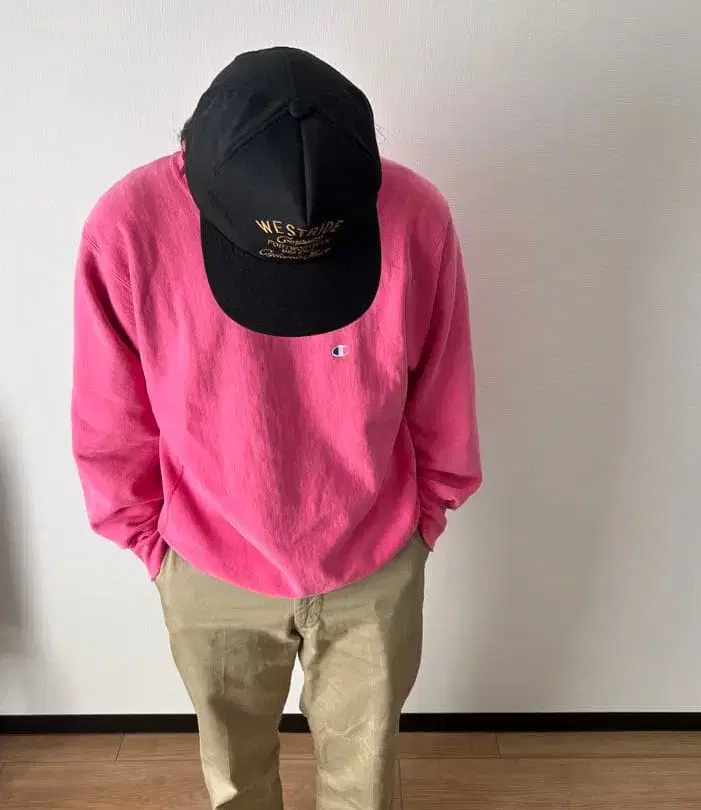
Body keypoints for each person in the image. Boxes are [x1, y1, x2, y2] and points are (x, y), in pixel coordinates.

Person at [72, 46, 481, 810]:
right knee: (237, 783)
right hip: (208, 563)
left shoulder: (416, 217)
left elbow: (443, 386)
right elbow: (110, 415)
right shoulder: (128, 228)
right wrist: (154, 547)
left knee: (365, 787)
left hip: (375, 558)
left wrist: (424, 522)